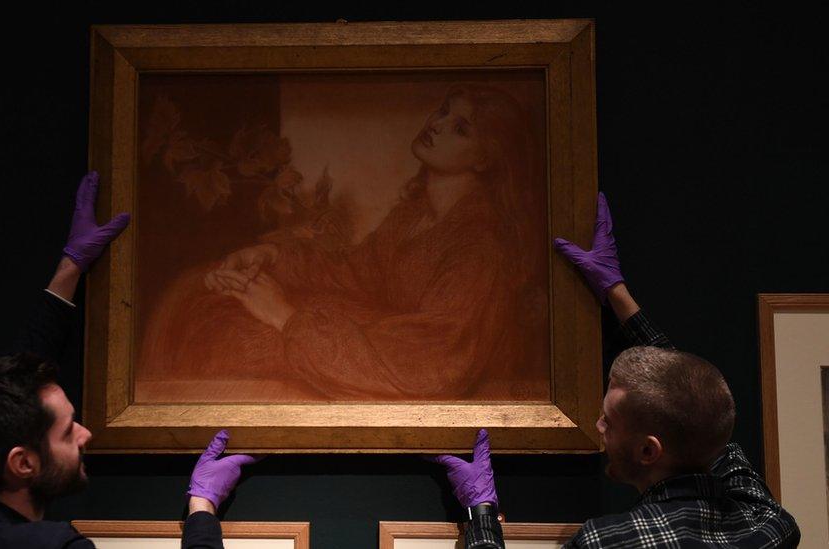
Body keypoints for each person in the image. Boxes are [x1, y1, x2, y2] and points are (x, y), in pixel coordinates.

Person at [0, 172, 258, 548]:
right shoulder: (56, 547)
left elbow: (11, 387)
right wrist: (202, 508)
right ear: (22, 463)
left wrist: (70, 268)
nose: (85, 434)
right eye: (68, 431)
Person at [430, 193, 801, 548]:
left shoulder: (608, 541)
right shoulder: (769, 523)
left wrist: (481, 514)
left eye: (609, 420)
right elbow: (690, 403)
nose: (598, 425)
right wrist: (616, 292)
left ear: (647, 450)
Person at [142, 83, 550, 402]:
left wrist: (285, 317)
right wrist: (273, 256)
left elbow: (432, 363)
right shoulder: (415, 214)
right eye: (444, 111)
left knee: (222, 338)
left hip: (401, 366)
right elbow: (356, 271)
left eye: (460, 128)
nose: (438, 124)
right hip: (359, 339)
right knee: (204, 297)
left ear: (485, 158)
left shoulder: (481, 246)